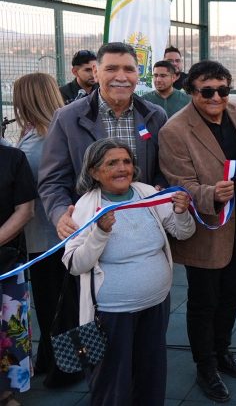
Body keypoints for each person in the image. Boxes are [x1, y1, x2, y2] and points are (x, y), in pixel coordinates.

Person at [64, 138, 194, 405]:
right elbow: (75, 264)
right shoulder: (84, 208)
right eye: (112, 163)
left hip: (156, 304)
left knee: (150, 376)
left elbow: (184, 232)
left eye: (126, 161)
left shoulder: (148, 193)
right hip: (112, 314)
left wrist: (182, 213)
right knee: (112, 381)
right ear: (93, 172)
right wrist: (100, 233)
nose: (122, 168)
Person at [158, 61, 236, 402]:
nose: (217, 97)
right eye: (207, 91)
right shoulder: (175, 130)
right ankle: (205, 366)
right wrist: (209, 194)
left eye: (223, 90)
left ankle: (222, 351)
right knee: (204, 301)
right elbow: (177, 180)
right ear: (191, 91)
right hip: (207, 227)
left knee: (235, 293)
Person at [39, 42, 168, 240]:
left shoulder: (155, 116)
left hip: (145, 228)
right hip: (90, 230)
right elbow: (53, 179)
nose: (121, 77)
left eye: (129, 69)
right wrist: (61, 213)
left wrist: (160, 188)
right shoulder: (67, 119)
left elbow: (164, 169)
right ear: (95, 72)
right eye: (111, 69)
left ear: (138, 74)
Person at [13, 73, 83, 388]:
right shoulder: (49, 133)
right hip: (52, 234)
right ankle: (52, 360)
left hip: (45, 237)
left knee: (54, 306)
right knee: (59, 304)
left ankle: (65, 368)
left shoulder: (37, 142)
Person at [0, 144, 35, 404]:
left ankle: (6, 392)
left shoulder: (13, 158)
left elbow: (25, 210)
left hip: (7, 264)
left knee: (9, 332)